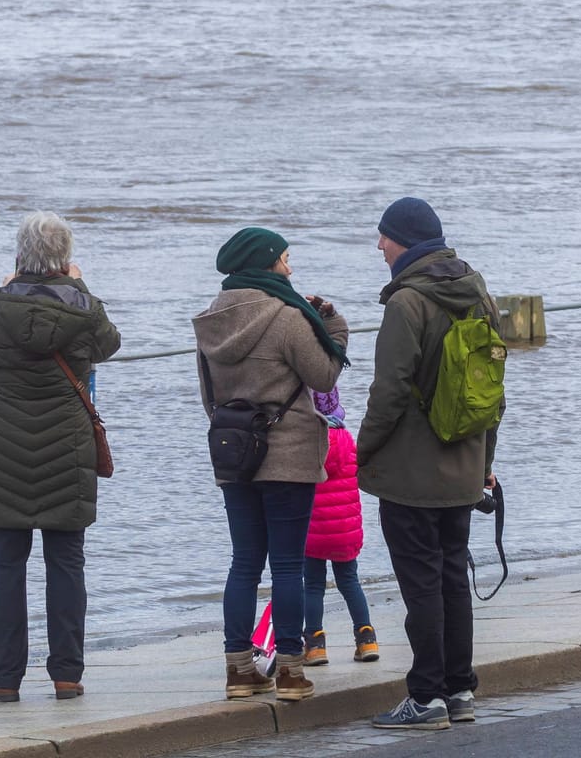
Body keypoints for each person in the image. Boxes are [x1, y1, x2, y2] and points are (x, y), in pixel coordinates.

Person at [0, 212, 121, 703]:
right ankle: (67, 674)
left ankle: (5, 679)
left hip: (4, 449)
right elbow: (108, 343)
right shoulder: (83, 308)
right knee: (67, 564)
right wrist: (82, 285)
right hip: (66, 451)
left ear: (20, 255)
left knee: (6, 569)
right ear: (66, 259)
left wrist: (6, 287)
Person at [359, 197, 498, 731]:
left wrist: (361, 449)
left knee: (422, 584)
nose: (380, 246)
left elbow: (389, 390)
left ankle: (425, 697)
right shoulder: (477, 291)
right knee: (451, 577)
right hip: (464, 464)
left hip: (412, 472)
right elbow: (493, 391)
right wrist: (486, 458)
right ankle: (459, 688)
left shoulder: (407, 302)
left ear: (407, 242)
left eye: (385, 237)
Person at [194, 227, 349, 703]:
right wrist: (335, 325)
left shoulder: (209, 321)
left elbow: (208, 398)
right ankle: (290, 672)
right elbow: (323, 374)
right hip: (289, 457)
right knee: (287, 565)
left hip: (234, 455)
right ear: (265, 264)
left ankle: (239, 669)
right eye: (285, 259)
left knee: (244, 562)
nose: (290, 267)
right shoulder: (287, 317)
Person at [301, 386, 380, 666]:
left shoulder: (307, 442)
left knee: (312, 585)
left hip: (313, 531)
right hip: (345, 530)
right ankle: (366, 637)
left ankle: (315, 644)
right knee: (349, 581)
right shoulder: (347, 439)